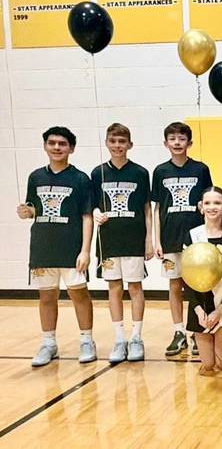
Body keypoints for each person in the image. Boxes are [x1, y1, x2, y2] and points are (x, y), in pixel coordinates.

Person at [18, 126, 96, 367]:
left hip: (71, 249)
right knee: (46, 296)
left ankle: (86, 340)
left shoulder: (81, 178)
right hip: (43, 248)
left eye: (62, 144)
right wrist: (26, 212)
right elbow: (34, 209)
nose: (57, 147)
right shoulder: (36, 177)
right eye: (52, 143)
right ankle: (48, 343)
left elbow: (87, 216)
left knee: (79, 295)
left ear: (71, 148)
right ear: (45, 146)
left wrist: (85, 250)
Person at [91, 123, 152, 363]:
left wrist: (149, 239)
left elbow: (147, 208)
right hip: (109, 239)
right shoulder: (98, 173)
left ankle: (136, 337)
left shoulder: (139, 172)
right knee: (114, 288)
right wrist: (96, 212)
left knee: (135, 288)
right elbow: (93, 204)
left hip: (134, 237)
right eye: (113, 141)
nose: (117, 146)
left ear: (130, 145)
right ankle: (119, 339)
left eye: (122, 141)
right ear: (107, 143)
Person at [152, 122, 212, 356]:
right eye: (172, 138)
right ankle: (179, 332)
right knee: (175, 284)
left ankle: (199, 330)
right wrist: (156, 241)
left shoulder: (200, 169)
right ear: (166, 143)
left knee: (200, 286)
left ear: (189, 143)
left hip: (197, 237)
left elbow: (209, 202)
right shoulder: (160, 171)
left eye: (181, 138)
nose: (177, 142)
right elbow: (156, 208)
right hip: (169, 237)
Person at [183, 187, 222, 375]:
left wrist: (221, 310)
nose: (212, 207)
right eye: (208, 203)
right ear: (201, 207)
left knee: (221, 365)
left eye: (217, 203)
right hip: (200, 304)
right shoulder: (193, 236)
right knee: (208, 366)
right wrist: (198, 309)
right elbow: (186, 278)